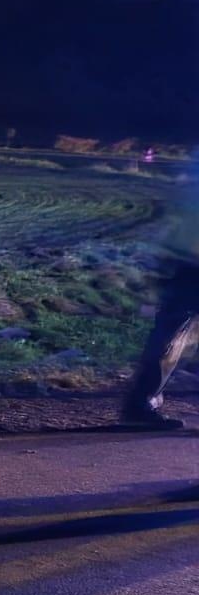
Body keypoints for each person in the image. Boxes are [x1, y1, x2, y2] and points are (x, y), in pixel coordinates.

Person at [121, 154, 199, 429]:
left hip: (185, 261)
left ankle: (141, 403)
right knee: (171, 335)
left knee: (170, 334)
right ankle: (142, 403)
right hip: (190, 262)